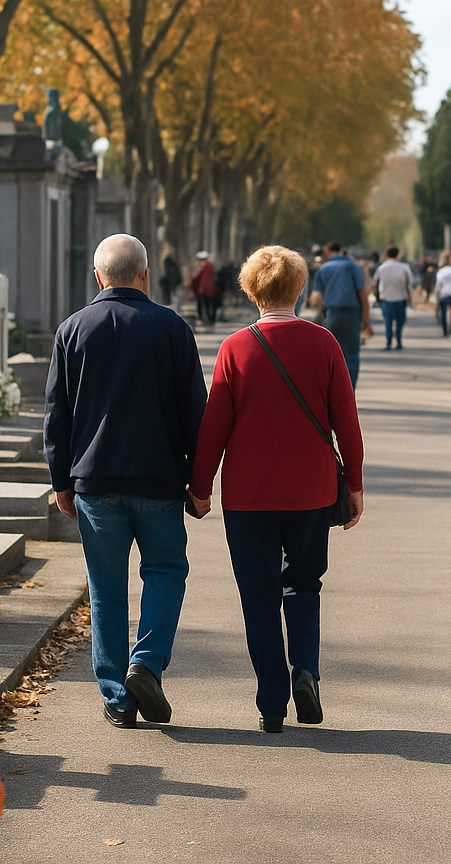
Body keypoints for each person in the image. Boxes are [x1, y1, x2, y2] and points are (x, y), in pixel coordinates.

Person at [188, 245, 365, 732]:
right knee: (304, 583)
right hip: (310, 491)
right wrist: (355, 484)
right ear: (301, 288)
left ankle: (271, 701)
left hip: (248, 496)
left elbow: (214, 428)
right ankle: (305, 670)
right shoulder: (324, 343)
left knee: (258, 594)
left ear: (250, 290)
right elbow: (346, 424)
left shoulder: (235, 348)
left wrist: (200, 487)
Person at [45, 234, 208, 728]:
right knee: (164, 571)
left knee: (106, 588)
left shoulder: (72, 330)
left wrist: (60, 481)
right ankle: (147, 662)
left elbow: (58, 413)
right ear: (144, 274)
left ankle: (117, 695)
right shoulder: (172, 328)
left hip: (95, 479)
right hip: (159, 479)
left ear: (99, 277)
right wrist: (199, 482)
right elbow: (195, 411)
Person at [308, 240, 370, 388]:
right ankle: (349, 392)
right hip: (352, 315)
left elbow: (316, 298)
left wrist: (322, 312)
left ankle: (331, 392)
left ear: (327, 251)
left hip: (332, 313)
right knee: (351, 355)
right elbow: (363, 294)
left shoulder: (324, 269)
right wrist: (366, 319)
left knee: (329, 355)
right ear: (341, 250)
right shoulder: (354, 267)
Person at [373, 245, 415, 350]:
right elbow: (410, 282)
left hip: (386, 298)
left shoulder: (381, 268)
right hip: (400, 297)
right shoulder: (404, 267)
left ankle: (388, 342)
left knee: (388, 321)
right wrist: (410, 297)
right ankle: (399, 340)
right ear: (398, 254)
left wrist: (377, 295)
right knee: (400, 321)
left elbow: (375, 282)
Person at [190, 251, 219, 325]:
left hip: (203, 290)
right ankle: (210, 319)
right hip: (211, 290)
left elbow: (196, 278)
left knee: (204, 305)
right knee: (209, 305)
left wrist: (193, 288)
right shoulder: (211, 266)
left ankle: (203, 319)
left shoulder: (203, 267)